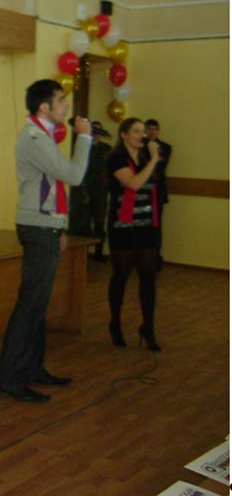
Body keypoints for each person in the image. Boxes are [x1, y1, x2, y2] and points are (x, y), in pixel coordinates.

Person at [0, 79, 91, 403]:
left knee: (38, 305)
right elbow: (72, 175)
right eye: (60, 100)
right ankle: (9, 379)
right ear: (43, 107)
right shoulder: (35, 138)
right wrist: (84, 138)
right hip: (37, 227)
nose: (66, 105)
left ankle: (32, 368)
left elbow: (49, 186)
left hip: (46, 225)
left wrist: (59, 227)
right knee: (30, 304)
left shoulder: (43, 135)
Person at [106, 117, 162, 351]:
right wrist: (155, 160)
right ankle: (115, 323)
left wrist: (153, 158)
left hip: (146, 226)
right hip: (123, 228)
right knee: (121, 276)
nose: (143, 135)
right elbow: (134, 183)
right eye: (137, 131)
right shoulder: (116, 158)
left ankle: (148, 327)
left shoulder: (145, 158)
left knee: (148, 278)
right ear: (124, 135)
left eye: (143, 131)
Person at [68, 121, 112, 261]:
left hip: (100, 189)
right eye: (94, 132)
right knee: (83, 224)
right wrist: (84, 192)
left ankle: (99, 253)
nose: (96, 135)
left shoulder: (106, 148)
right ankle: (83, 256)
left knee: (99, 222)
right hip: (84, 187)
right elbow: (80, 170)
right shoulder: (81, 146)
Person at [144, 118, 172, 269]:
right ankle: (141, 257)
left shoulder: (165, 147)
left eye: (154, 129)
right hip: (141, 190)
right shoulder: (139, 146)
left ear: (158, 130)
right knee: (141, 226)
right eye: (148, 129)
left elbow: (159, 166)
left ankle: (155, 257)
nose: (151, 132)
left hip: (157, 191)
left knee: (156, 225)